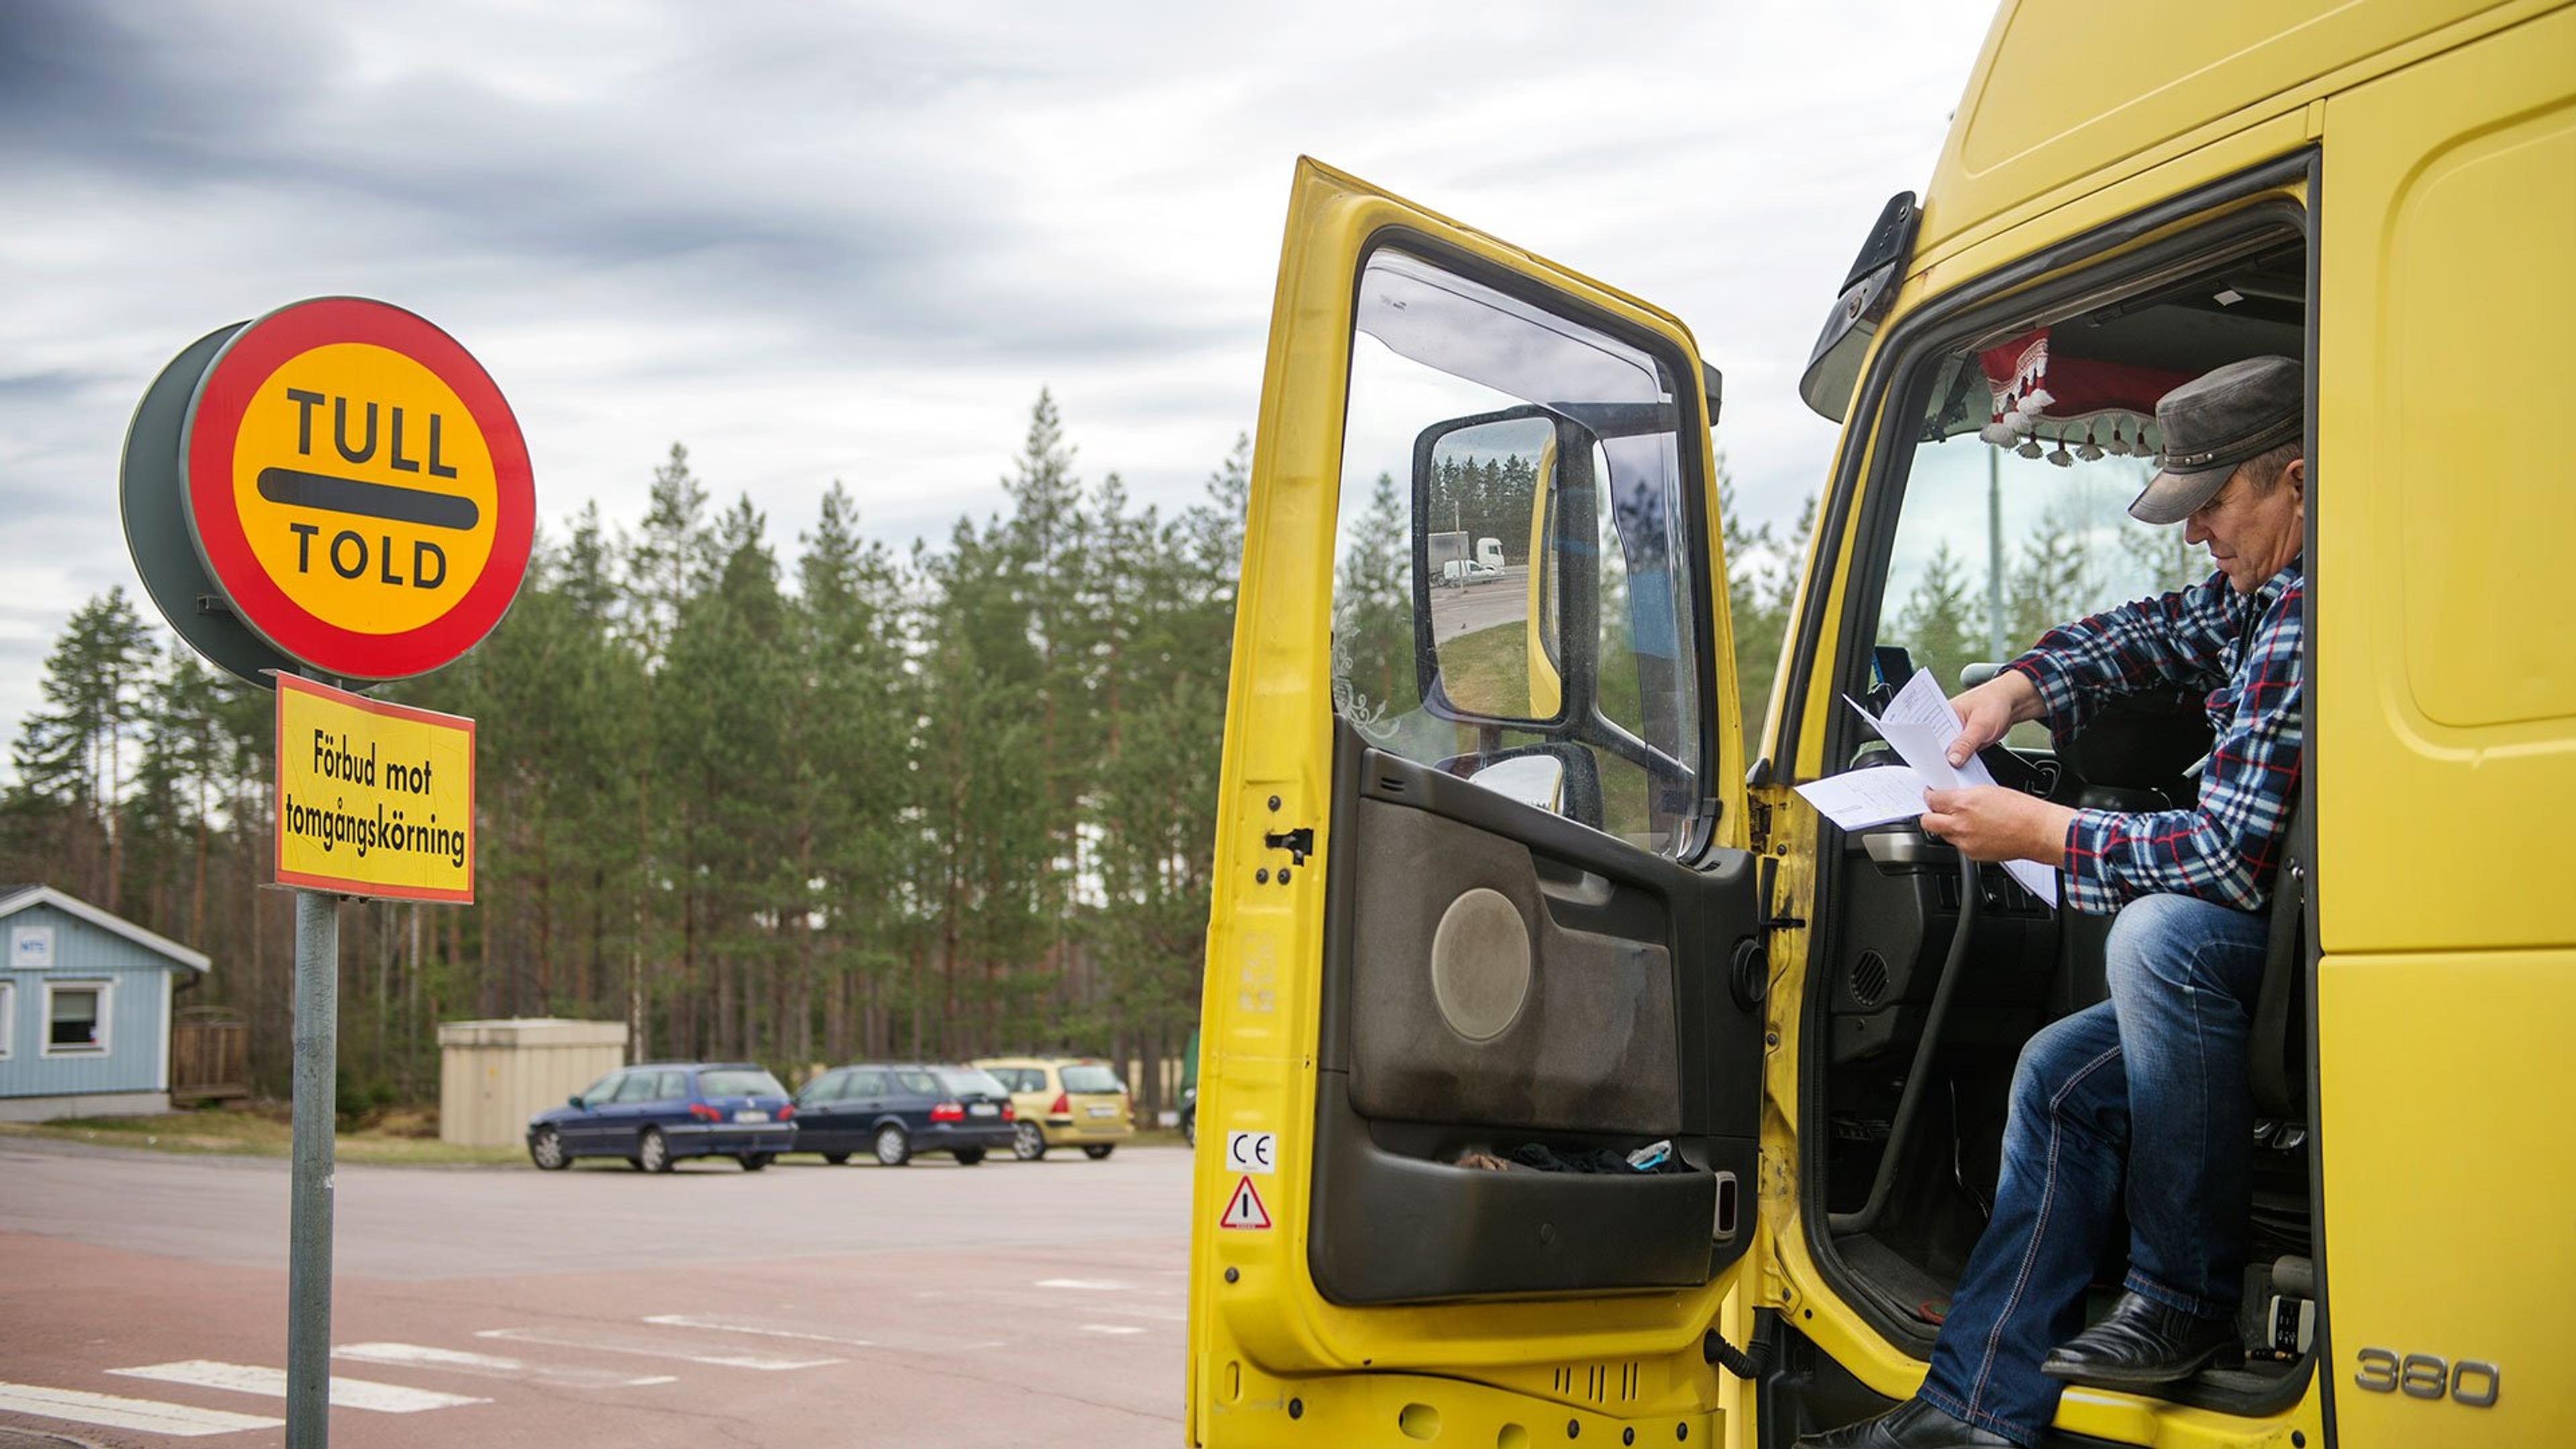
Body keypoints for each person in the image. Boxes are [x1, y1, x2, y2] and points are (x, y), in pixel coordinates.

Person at [1805, 356, 2308, 1448]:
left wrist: (2047, 833)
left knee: (2159, 936)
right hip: (2282, 945)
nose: (2196, 534)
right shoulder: (2255, 600)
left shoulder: (2312, 616)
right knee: (2057, 1076)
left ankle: (2180, 1299)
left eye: (2215, 502)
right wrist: (2015, 687)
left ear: (2297, 488)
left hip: (2315, 954)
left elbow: (2225, 860)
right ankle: (1976, 1410)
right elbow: (2151, 631)